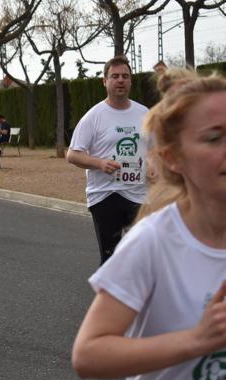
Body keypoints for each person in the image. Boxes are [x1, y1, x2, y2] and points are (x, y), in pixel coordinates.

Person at [72, 74, 226, 380]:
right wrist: (197, 340)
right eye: (214, 138)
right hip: (106, 196)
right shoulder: (154, 240)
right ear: (173, 157)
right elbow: (88, 355)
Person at [66, 55, 149, 265]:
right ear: (105, 81)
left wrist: (155, 166)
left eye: (125, 76)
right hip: (105, 195)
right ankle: (111, 296)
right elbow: (73, 154)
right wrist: (100, 163)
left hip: (138, 194)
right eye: (115, 76)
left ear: (130, 81)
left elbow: (158, 150)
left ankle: (137, 296)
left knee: (141, 256)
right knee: (111, 257)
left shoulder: (144, 114)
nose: (120, 80)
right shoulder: (94, 116)